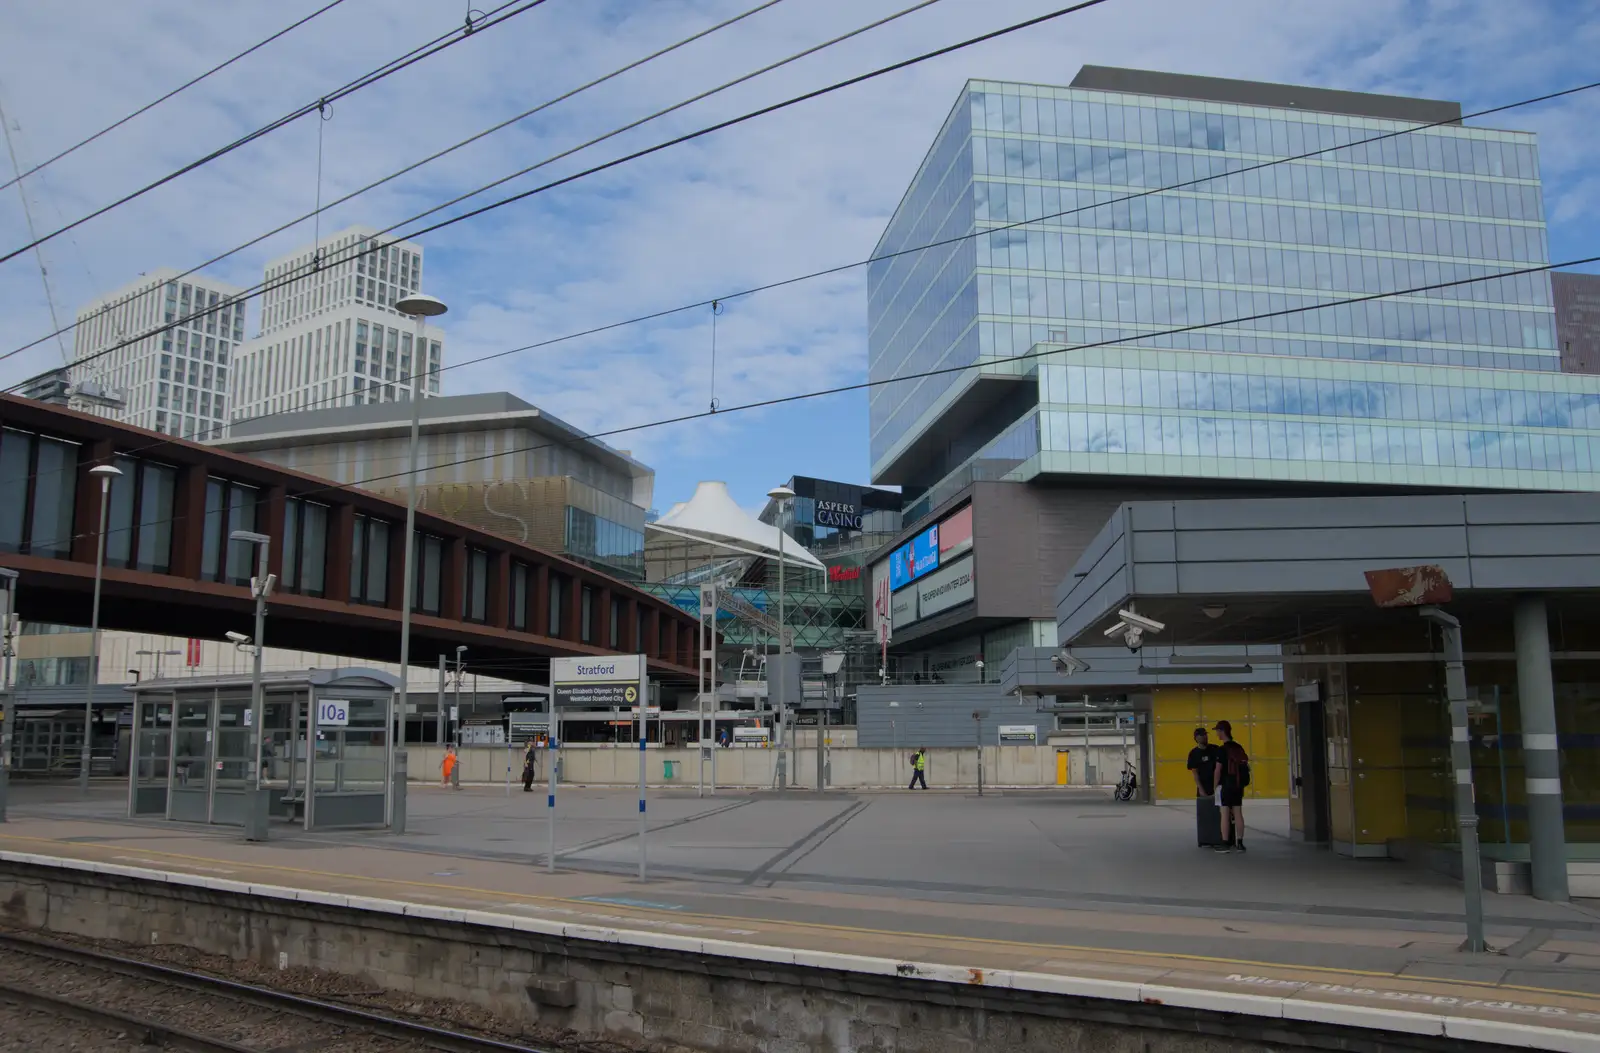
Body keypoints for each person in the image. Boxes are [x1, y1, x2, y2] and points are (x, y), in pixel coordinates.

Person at [1211, 720, 1249, 853]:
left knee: (1225, 814)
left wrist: (1215, 786)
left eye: (1217, 731)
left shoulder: (1222, 750)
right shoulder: (1239, 747)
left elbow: (1218, 770)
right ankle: (1240, 843)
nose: (1217, 734)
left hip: (1226, 785)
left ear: (1222, 731)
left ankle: (1225, 843)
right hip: (1238, 785)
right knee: (1238, 812)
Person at [1187, 727, 1222, 848]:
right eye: (1202, 736)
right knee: (1205, 813)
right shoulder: (1194, 754)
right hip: (1204, 787)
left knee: (1219, 813)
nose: (1205, 737)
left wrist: (1217, 786)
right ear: (1196, 738)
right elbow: (1195, 773)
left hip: (1218, 786)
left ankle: (1220, 837)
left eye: (1206, 735)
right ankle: (1205, 838)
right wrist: (1200, 789)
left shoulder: (1215, 749)